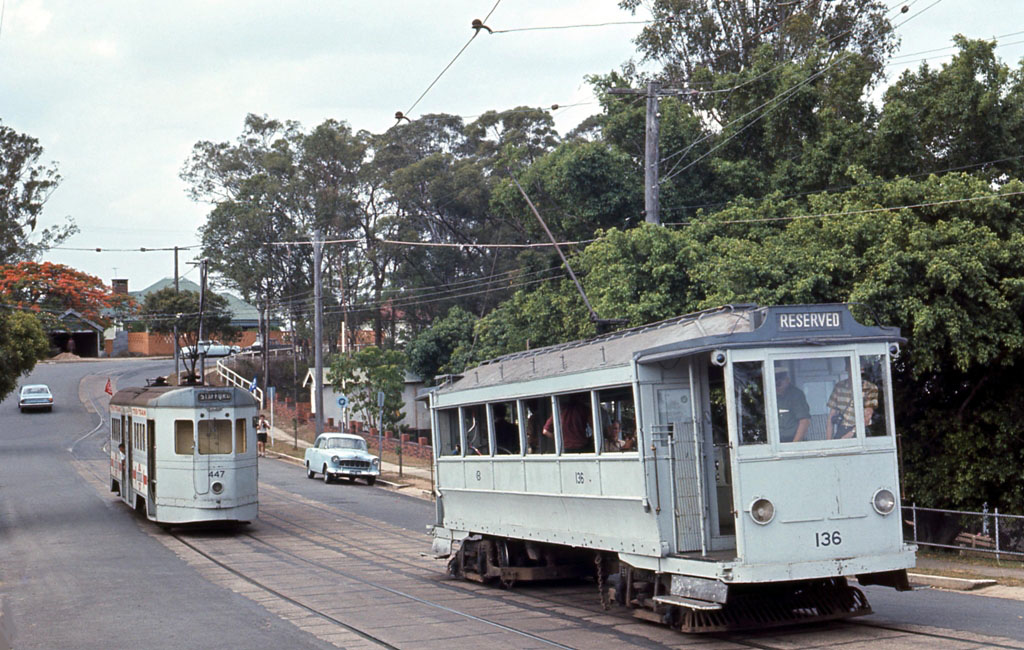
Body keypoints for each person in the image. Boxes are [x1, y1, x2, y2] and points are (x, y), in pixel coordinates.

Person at [775, 368, 811, 442]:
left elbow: (804, 421)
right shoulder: (768, 396)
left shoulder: (796, 395)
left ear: (787, 380)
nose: (777, 386)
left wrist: (794, 445)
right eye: (774, 383)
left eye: (779, 383)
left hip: (792, 441)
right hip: (775, 442)